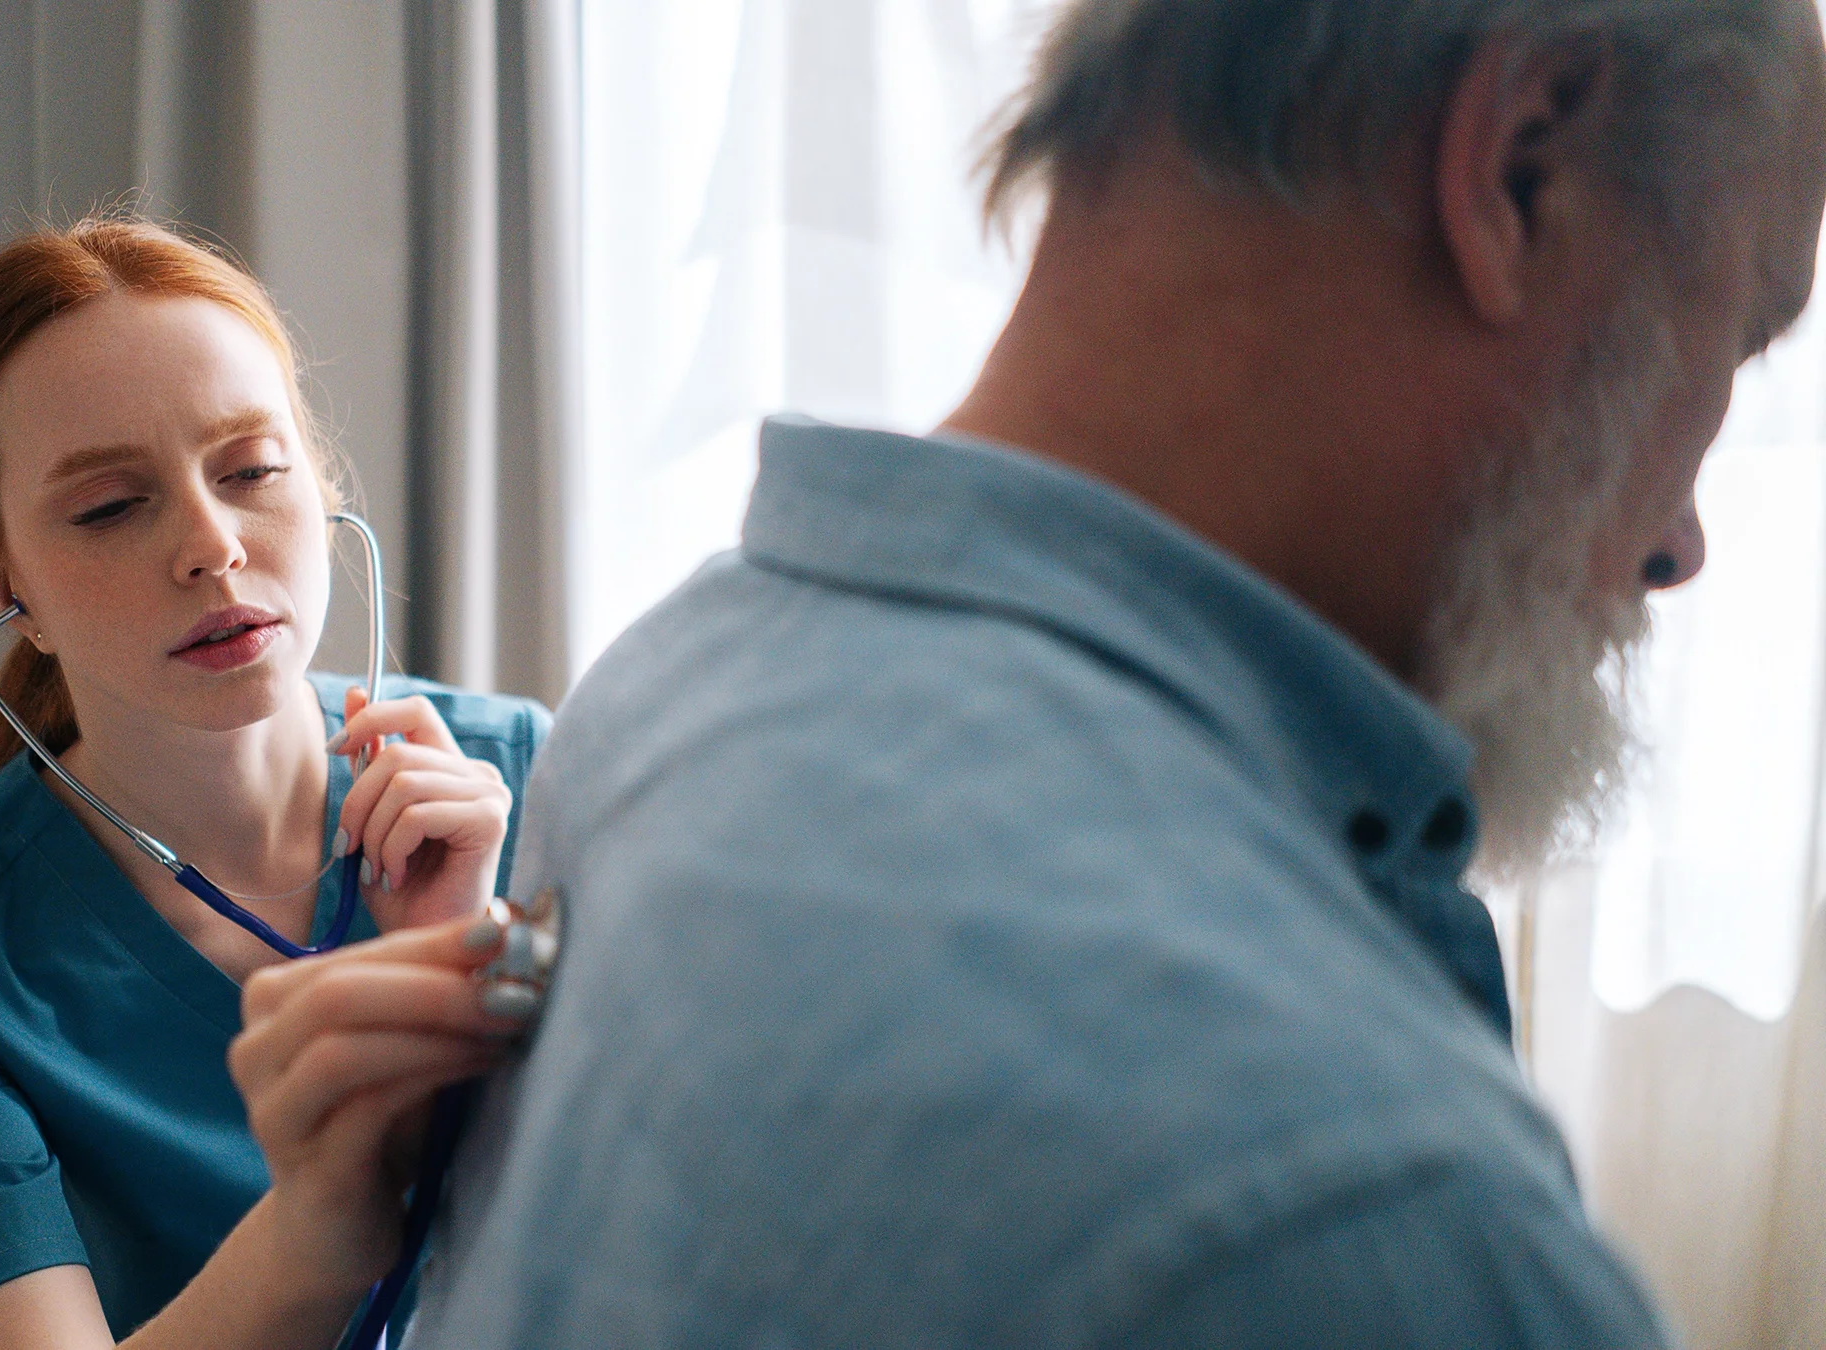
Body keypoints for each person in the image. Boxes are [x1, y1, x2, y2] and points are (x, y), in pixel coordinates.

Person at [412, 1, 1826, 1346]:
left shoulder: (652, 702)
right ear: (1521, 164)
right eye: (1738, 325)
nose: (1682, 541)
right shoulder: (1358, 1207)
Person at [0, 217, 550, 1349]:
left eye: (252, 469)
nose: (212, 545)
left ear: (319, 479)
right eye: (112, 506)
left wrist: (476, 981)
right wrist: (320, 1219)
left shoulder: (539, 778)